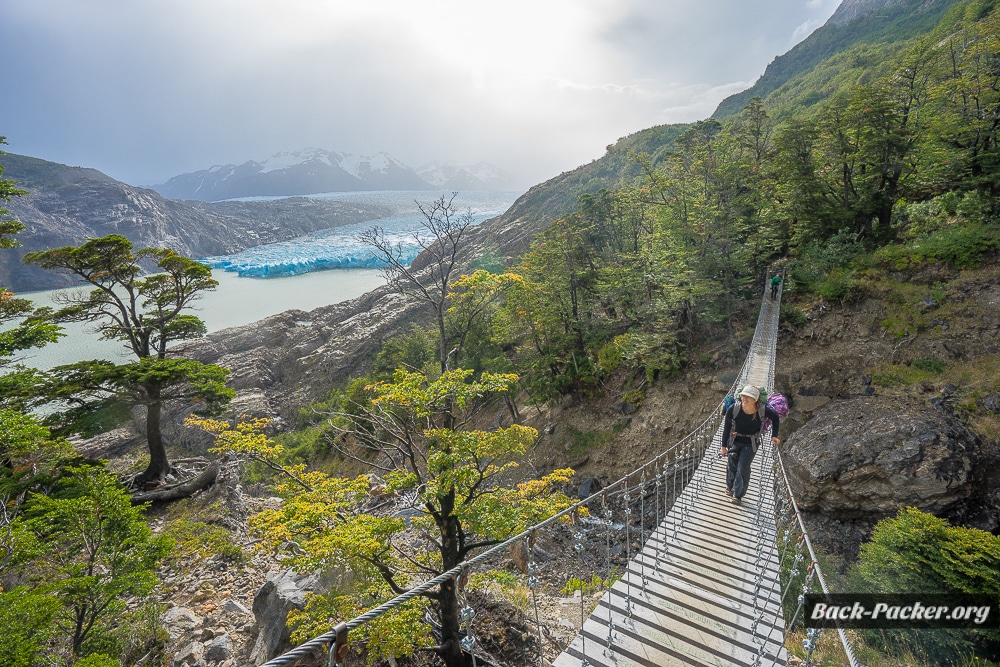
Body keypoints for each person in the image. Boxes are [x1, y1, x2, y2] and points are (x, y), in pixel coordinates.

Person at [721, 385, 781, 505]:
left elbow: (776, 418)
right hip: (734, 440)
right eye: (743, 395)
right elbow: (726, 428)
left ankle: (737, 495)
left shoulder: (762, 410)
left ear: (755, 399)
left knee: (743, 467)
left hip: (751, 442)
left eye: (748, 397)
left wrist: (774, 435)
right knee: (732, 463)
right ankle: (730, 485)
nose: (745, 398)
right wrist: (723, 446)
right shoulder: (734, 408)